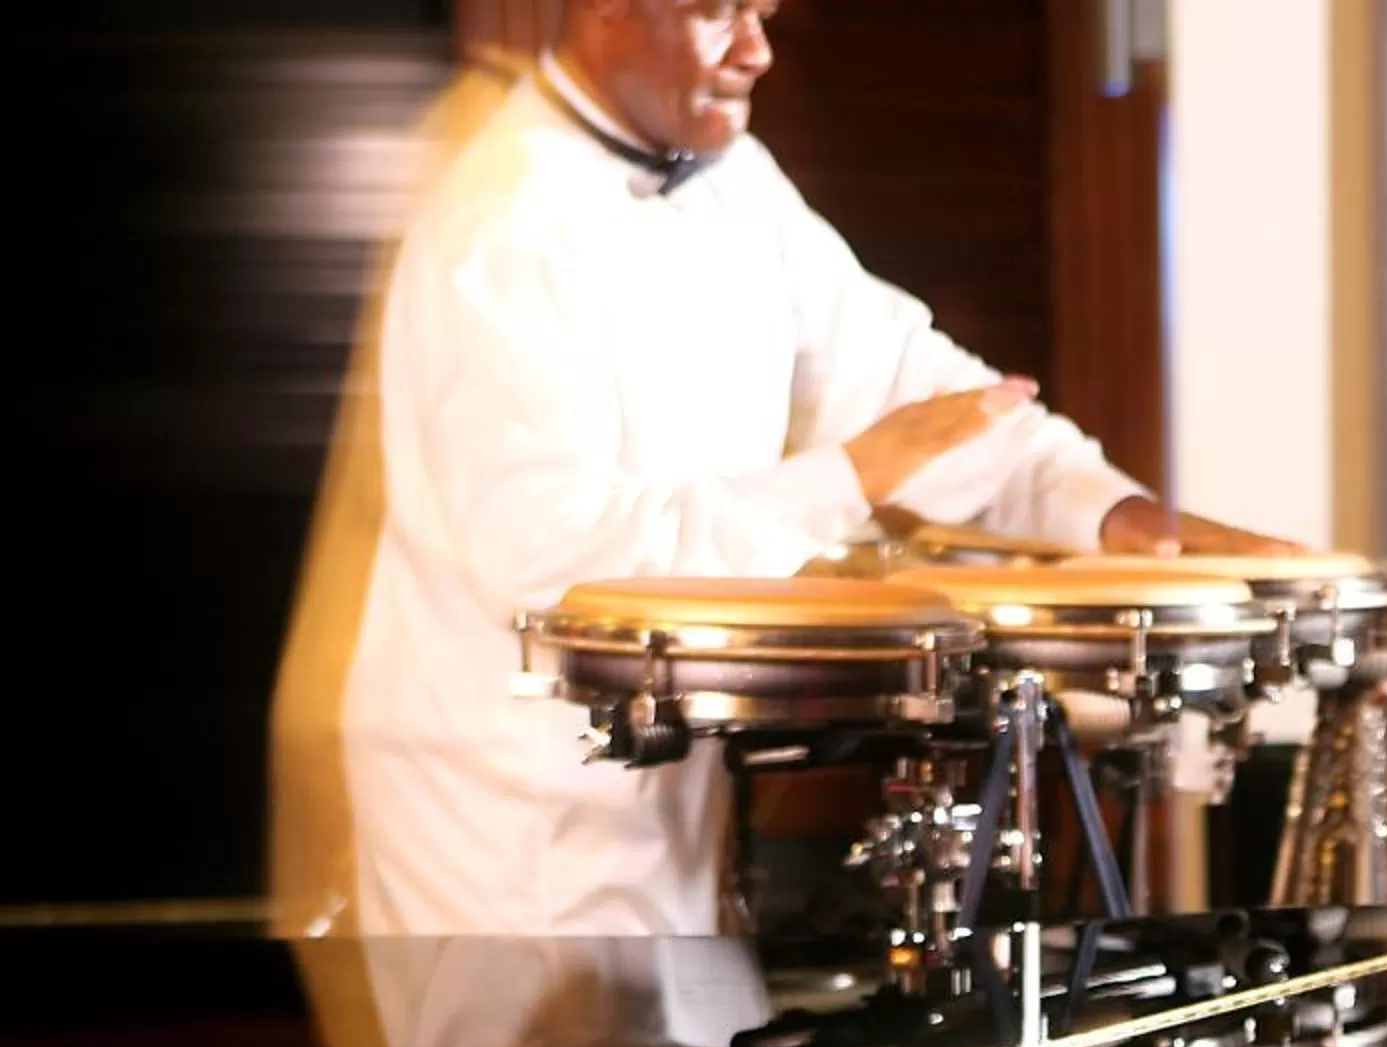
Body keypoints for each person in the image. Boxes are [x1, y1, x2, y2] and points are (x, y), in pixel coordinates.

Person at [278, 0, 1287, 938]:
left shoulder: (735, 178)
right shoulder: (501, 225)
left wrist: (1112, 512)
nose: (756, 50)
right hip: (503, 820)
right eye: (717, 11)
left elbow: (910, 384)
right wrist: (846, 482)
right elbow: (550, 556)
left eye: (762, 11)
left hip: (657, 796)